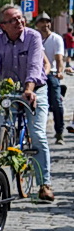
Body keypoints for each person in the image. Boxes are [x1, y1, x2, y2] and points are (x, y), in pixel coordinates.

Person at [0, 5, 52, 202]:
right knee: (4, 131)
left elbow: (35, 66)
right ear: (2, 25)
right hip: (9, 90)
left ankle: (44, 183)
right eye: (13, 20)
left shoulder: (33, 37)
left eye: (20, 18)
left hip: (35, 89)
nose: (19, 22)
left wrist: (29, 89)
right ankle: (0, 181)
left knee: (37, 134)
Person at [34, 14, 64, 144]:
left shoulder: (56, 39)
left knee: (56, 103)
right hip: (36, 73)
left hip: (50, 74)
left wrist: (59, 72)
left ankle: (59, 132)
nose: (45, 25)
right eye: (42, 22)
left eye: (47, 22)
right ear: (37, 25)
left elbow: (59, 59)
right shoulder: (34, 38)